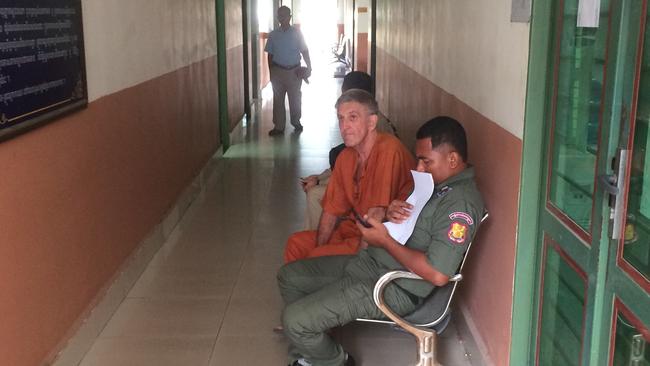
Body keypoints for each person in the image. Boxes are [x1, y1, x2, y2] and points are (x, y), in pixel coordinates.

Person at [277, 116, 486, 366]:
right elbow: (412, 227)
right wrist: (388, 212)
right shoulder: (435, 186)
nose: (419, 168)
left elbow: (438, 274)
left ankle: (335, 360)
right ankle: (311, 354)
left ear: (452, 159)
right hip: (372, 263)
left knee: (294, 320)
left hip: (396, 287)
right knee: (290, 276)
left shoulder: (459, 204)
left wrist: (385, 241)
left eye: (425, 160)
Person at [284, 89, 415, 263]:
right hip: (353, 231)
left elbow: (375, 219)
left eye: (353, 117)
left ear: (371, 122)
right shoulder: (346, 156)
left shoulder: (388, 150)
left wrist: (357, 268)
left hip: (381, 243)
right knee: (296, 244)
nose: (344, 127)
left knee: (316, 259)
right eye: (341, 118)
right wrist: (319, 248)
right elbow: (330, 213)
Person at [300, 72, 399, 230]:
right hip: (361, 184)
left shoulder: (378, 135)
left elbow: (359, 180)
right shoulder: (369, 119)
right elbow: (350, 163)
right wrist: (320, 177)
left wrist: (319, 182)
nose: (344, 125)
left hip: (371, 197)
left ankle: (316, 240)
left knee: (314, 194)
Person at [265, 6, 312, 136]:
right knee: (278, 100)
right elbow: (269, 55)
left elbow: (304, 51)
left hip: (294, 71)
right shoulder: (273, 34)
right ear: (277, 18)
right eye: (280, 15)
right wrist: (271, 73)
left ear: (290, 17)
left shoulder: (297, 33)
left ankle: (296, 122)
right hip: (278, 71)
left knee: (295, 98)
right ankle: (279, 127)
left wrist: (309, 67)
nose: (282, 18)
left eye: (285, 15)